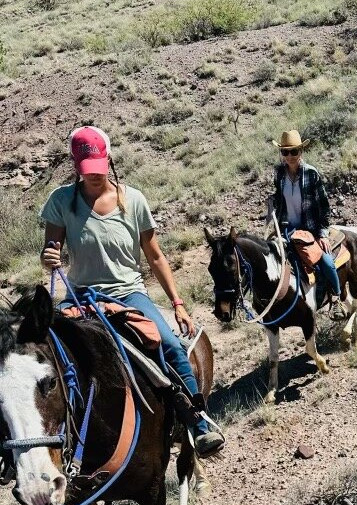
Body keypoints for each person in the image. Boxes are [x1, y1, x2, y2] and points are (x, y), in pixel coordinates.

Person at [39, 125, 224, 458]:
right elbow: (51, 248)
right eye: (86, 171)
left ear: (109, 159)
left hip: (128, 293)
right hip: (80, 296)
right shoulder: (61, 201)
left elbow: (154, 255)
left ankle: (198, 422)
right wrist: (48, 256)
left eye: (99, 169)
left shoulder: (133, 200)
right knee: (44, 353)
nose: (94, 177)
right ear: (75, 166)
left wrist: (177, 303)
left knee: (168, 344)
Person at [271, 130, 345, 321]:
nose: (289, 156)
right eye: (285, 152)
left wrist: (322, 234)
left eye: (293, 151)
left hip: (310, 229)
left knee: (326, 261)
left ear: (301, 151)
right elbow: (280, 199)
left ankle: (336, 299)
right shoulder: (279, 174)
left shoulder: (311, 174)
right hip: (287, 228)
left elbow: (324, 206)